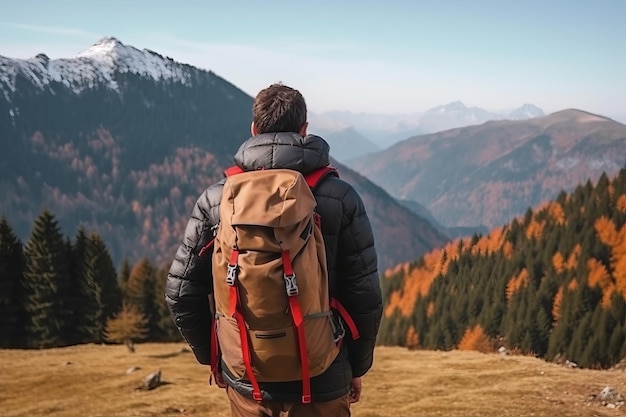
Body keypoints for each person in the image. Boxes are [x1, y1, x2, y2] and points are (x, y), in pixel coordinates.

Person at [165, 83, 382, 417]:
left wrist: (219, 357)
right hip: (323, 375)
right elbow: (364, 294)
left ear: (254, 130)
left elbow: (180, 292)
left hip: (248, 380)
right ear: (304, 130)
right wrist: (357, 366)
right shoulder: (339, 197)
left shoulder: (216, 201)